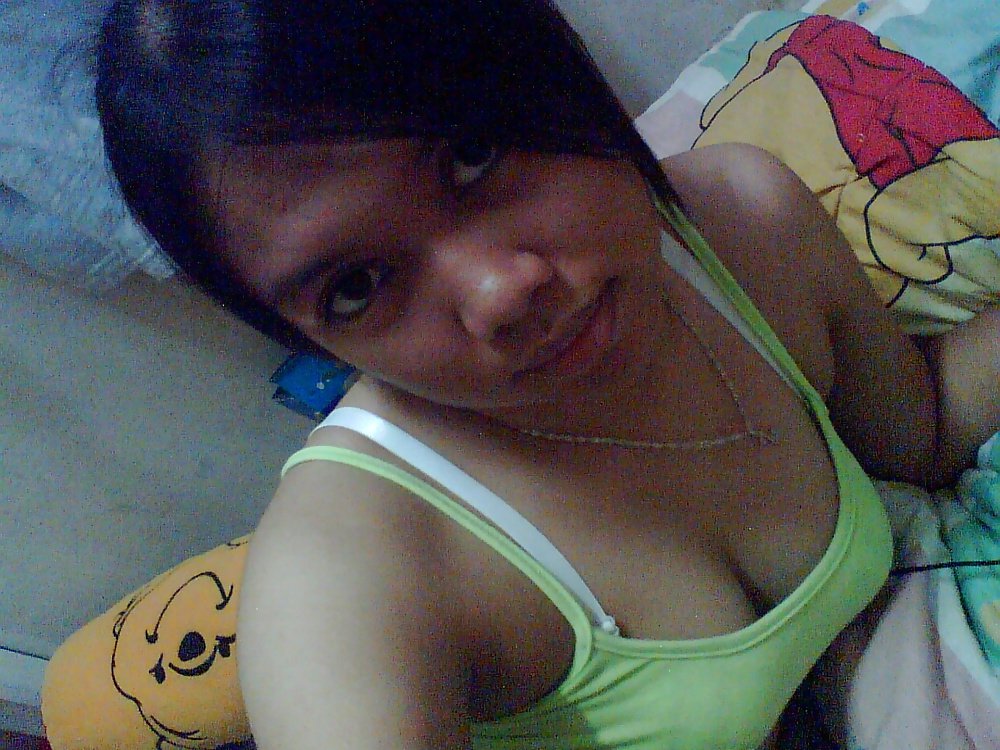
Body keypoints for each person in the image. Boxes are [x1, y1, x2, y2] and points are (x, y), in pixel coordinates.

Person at [94, 0, 1000, 747]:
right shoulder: (346, 576)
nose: (500, 293)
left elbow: (916, 435)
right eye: (356, 287)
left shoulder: (745, 222)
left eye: (474, 152)